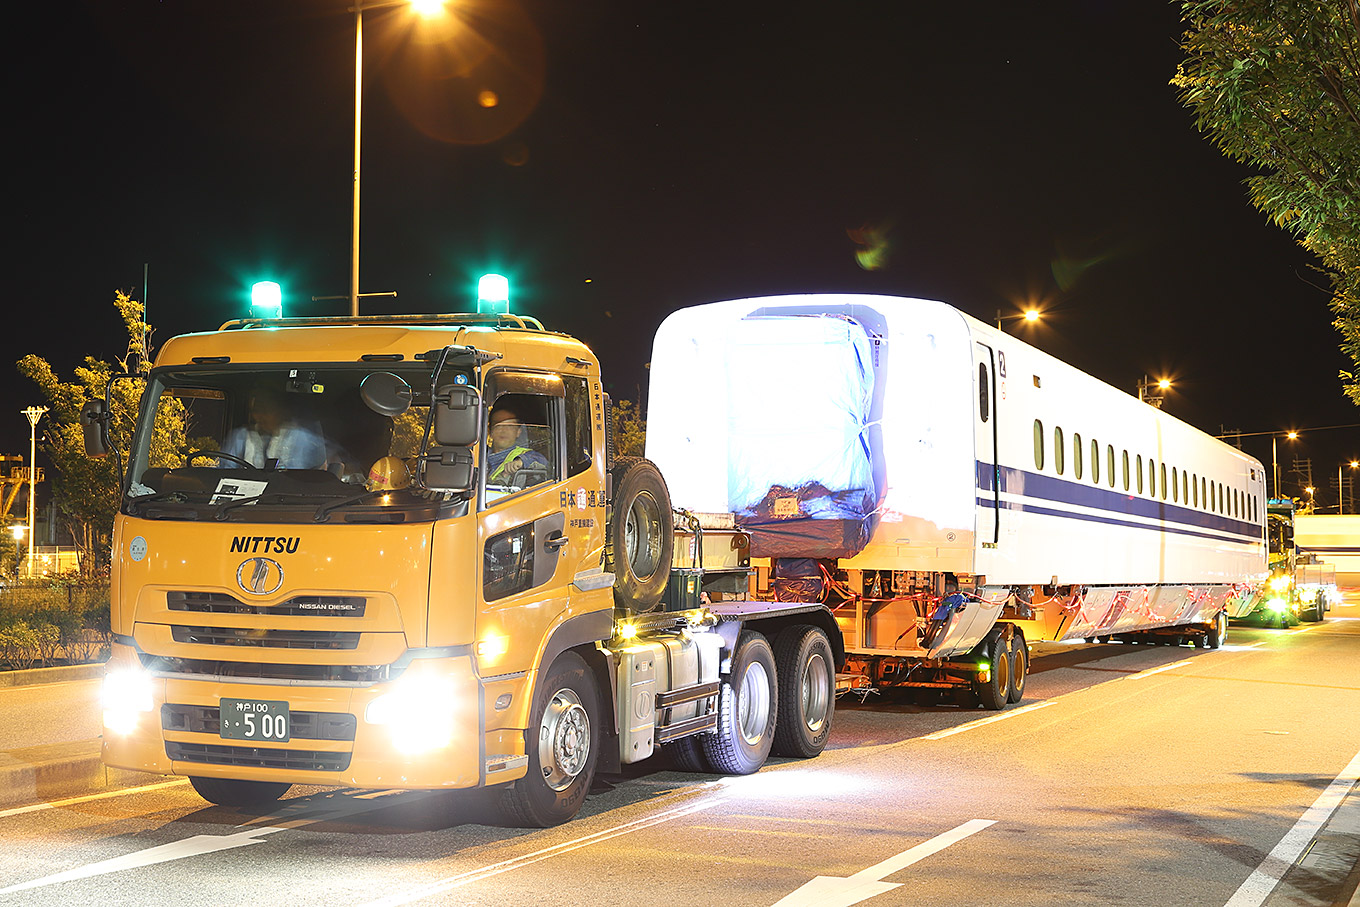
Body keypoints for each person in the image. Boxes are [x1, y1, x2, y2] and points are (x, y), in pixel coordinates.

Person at [221, 387, 326, 469]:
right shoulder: (240, 436)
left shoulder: (300, 437)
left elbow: (299, 475)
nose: (258, 416)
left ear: (281, 412)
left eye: (266, 411)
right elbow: (225, 469)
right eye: (256, 411)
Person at [486, 405, 548, 485]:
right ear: (490, 430)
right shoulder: (479, 457)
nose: (503, 430)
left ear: (518, 432)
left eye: (509, 426)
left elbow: (542, 462)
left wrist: (521, 462)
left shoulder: (524, 455)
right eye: (498, 425)